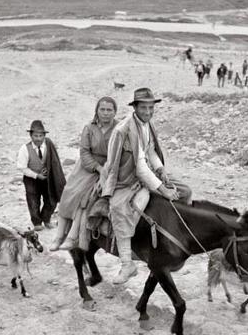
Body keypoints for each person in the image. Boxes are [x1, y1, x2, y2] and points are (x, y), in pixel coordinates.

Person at [101, 87, 192, 284]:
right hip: (125, 178)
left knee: (185, 191)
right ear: (135, 107)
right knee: (119, 208)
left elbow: (150, 151)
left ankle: (173, 238)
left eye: (151, 107)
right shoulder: (124, 130)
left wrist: (161, 170)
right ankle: (127, 264)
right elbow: (139, 166)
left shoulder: (146, 125)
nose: (148, 112)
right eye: (144, 107)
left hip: (146, 174)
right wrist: (162, 189)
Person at [50, 96, 118, 251]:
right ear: (97, 110)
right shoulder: (89, 128)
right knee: (68, 193)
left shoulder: (119, 129)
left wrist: (105, 170)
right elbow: (84, 152)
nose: (106, 113)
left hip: (108, 168)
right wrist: (97, 168)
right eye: (102, 109)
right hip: (87, 167)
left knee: (86, 197)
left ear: (115, 112)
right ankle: (58, 235)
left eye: (109, 110)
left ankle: (72, 236)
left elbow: (117, 153)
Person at [17, 120, 65, 231]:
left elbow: (55, 162)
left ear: (44, 136)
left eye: (40, 136)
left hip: (48, 179)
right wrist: (36, 175)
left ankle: (46, 218)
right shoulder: (25, 149)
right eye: (35, 136)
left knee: (51, 198)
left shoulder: (49, 146)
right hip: (31, 179)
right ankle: (37, 222)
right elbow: (22, 167)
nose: (38, 138)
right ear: (30, 135)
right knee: (33, 200)